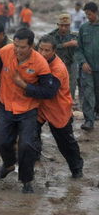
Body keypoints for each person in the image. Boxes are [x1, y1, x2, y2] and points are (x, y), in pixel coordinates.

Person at [0, 28, 56, 193]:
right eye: (16, 45)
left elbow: (48, 92)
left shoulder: (40, 63)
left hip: (28, 110)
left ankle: (27, 181)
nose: (18, 50)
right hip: (6, 106)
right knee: (1, 141)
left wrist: (24, 85)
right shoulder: (5, 52)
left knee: (26, 145)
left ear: (31, 46)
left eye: (22, 47)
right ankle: (8, 165)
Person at [37, 35, 83, 178]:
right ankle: (34, 161)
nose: (43, 53)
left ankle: (77, 169)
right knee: (30, 134)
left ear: (54, 51)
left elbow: (49, 92)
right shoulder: (36, 60)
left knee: (66, 143)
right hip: (40, 107)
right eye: (41, 49)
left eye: (47, 50)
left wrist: (24, 86)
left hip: (58, 109)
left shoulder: (58, 68)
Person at [76, 2, 99, 131]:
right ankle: (89, 121)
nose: (88, 17)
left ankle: (96, 114)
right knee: (88, 94)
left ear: (96, 12)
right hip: (87, 69)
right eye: (86, 14)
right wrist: (83, 62)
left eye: (89, 14)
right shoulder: (83, 28)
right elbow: (78, 49)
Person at [48, 14, 78, 100]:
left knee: (71, 87)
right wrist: (66, 45)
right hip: (54, 66)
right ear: (58, 24)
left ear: (70, 25)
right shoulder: (51, 36)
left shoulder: (75, 36)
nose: (64, 28)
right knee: (54, 88)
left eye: (66, 25)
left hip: (70, 65)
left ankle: (69, 108)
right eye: (62, 25)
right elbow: (46, 47)